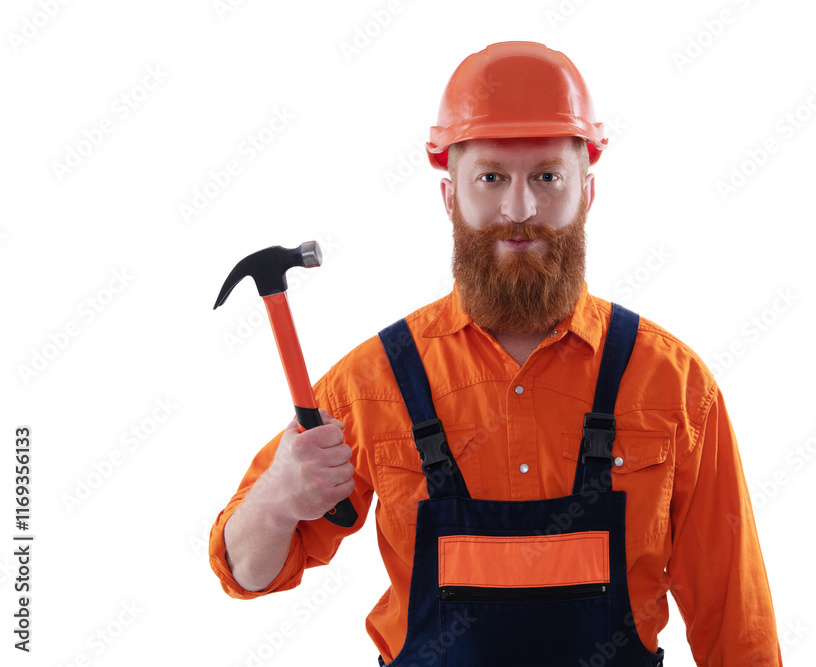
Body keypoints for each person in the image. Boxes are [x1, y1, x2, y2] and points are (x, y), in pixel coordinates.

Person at [209, 41, 783, 666]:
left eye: (547, 176)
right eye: (491, 178)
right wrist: (277, 499)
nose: (519, 209)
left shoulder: (674, 386)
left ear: (587, 192)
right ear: (450, 196)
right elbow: (246, 573)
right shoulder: (374, 383)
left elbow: (736, 625)